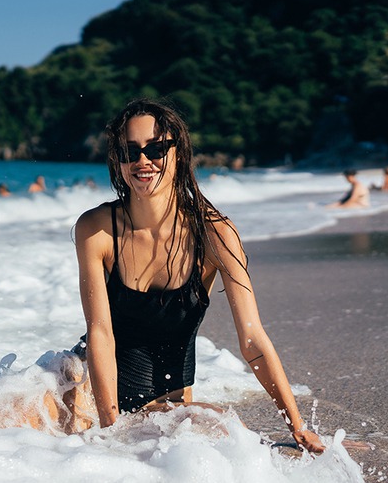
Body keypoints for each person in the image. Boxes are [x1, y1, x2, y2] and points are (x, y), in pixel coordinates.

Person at [69, 98, 324, 453]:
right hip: (81, 392)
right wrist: (110, 431)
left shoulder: (215, 234)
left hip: (163, 407)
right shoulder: (97, 230)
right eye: (130, 151)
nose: (143, 161)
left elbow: (252, 341)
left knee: (225, 431)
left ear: (179, 152)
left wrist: (297, 427)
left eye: (156, 148)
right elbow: (100, 332)